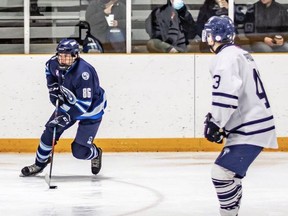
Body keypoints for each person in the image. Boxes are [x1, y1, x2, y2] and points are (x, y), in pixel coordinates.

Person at [202, 16, 278, 216]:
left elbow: (226, 95)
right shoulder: (240, 54)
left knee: (221, 173)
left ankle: (229, 214)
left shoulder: (224, 58)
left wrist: (215, 122)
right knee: (229, 174)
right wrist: (220, 124)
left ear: (215, 36)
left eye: (209, 34)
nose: (207, 38)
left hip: (250, 128)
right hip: (253, 125)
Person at [20, 38, 107, 177]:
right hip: (70, 104)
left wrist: (65, 116)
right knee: (50, 130)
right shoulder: (53, 63)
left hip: (91, 110)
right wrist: (54, 91)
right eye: (60, 55)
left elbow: (84, 104)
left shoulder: (84, 73)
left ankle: (96, 153)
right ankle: (39, 163)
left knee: (79, 151)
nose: (62, 59)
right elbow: (49, 72)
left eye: (66, 56)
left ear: (75, 56)